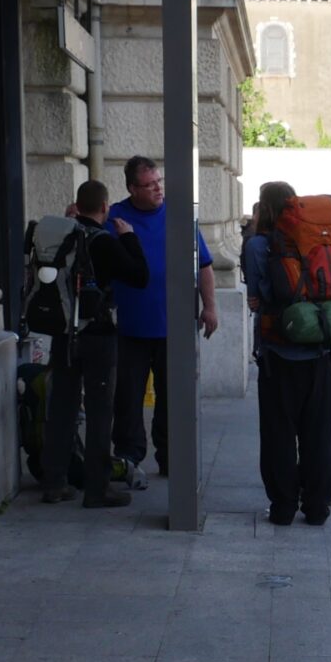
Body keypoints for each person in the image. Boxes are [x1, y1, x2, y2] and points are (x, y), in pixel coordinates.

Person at [37, 182, 150, 507]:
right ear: (105, 207)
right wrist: (128, 236)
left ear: (75, 205)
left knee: (62, 408)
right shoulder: (103, 242)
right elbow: (139, 276)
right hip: (97, 335)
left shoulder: (62, 236)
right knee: (101, 412)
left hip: (63, 333)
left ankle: (54, 482)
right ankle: (98, 488)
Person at [110, 155, 216, 482]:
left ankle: (170, 456)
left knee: (172, 397)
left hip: (175, 326)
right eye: (150, 184)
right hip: (131, 327)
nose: (158, 189)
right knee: (128, 398)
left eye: (159, 182)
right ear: (132, 188)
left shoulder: (179, 215)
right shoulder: (115, 217)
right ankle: (129, 457)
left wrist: (209, 307)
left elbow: (204, 266)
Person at [243, 180, 331, 525]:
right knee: (318, 434)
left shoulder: (257, 245)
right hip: (319, 350)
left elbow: (256, 295)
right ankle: (317, 508)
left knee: (279, 434)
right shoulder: (318, 238)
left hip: (277, 353)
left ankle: (283, 507)